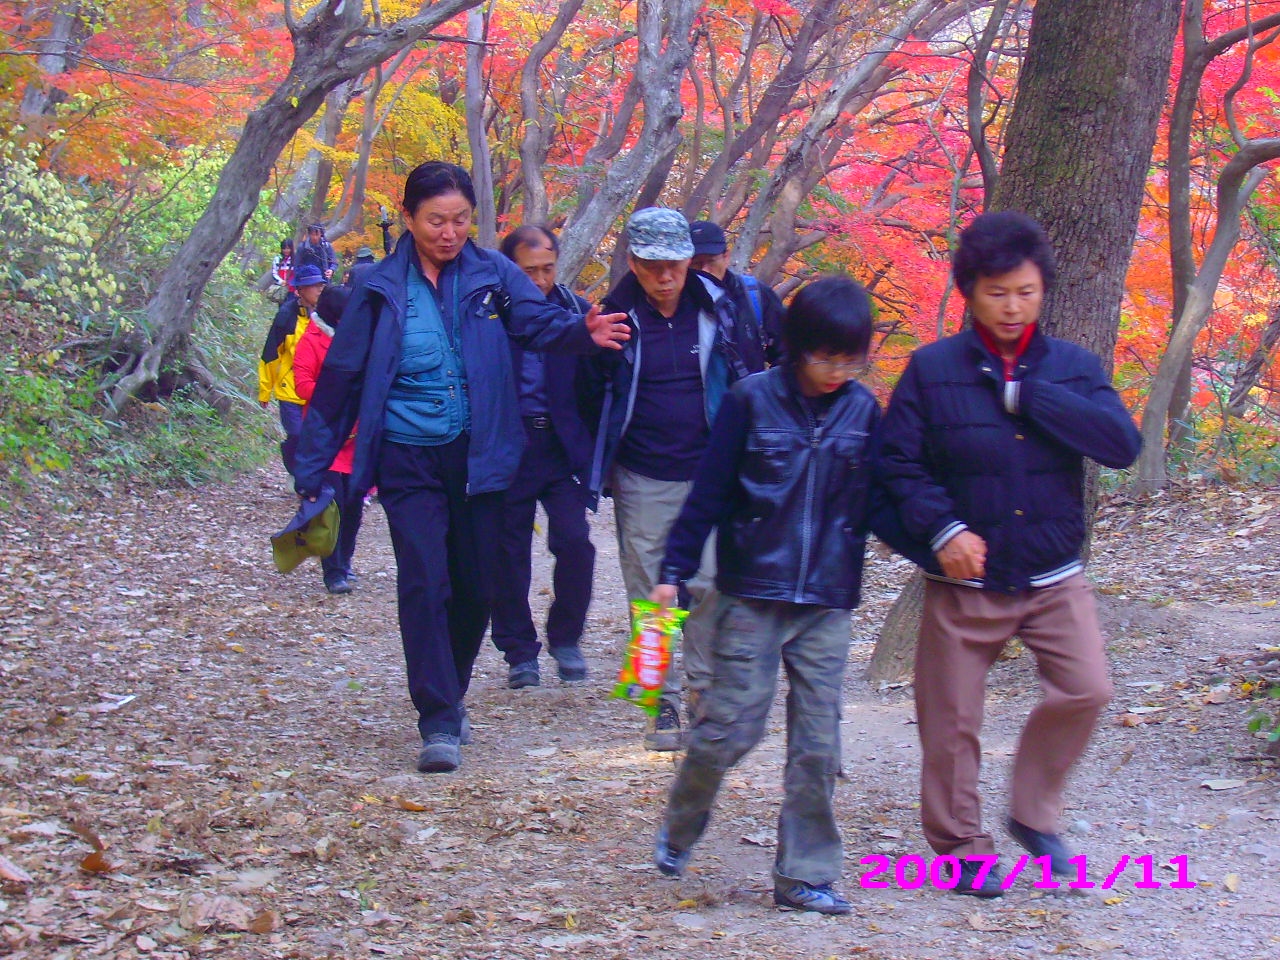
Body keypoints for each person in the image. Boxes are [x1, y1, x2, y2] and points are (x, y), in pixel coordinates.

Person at [292, 161, 629, 775]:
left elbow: (536, 323)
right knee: (425, 580)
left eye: (460, 220)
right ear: (408, 218)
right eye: (435, 220)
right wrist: (312, 466)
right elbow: (341, 376)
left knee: (476, 587)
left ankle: (452, 686)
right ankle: (439, 716)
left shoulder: (493, 273)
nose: (448, 233)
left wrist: (581, 331)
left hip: (483, 454)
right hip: (408, 456)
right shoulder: (379, 286)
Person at [876, 211, 1142, 897]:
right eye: (997, 293)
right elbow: (895, 465)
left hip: (1053, 573)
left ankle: (1032, 814)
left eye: (1026, 291)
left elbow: (1121, 445)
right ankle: (962, 848)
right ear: (970, 291)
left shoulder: (1074, 368)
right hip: (964, 580)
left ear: (1043, 290)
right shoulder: (931, 371)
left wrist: (1032, 397)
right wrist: (942, 530)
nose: (1013, 306)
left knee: (1087, 688)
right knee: (951, 723)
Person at [648, 276, 921, 915]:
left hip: (826, 601)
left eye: (850, 360)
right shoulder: (751, 400)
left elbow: (878, 502)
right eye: (825, 357)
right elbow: (709, 493)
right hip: (753, 594)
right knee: (731, 730)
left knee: (819, 744)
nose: (837, 372)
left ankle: (804, 874)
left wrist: (935, 544)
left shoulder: (863, 412)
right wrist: (673, 571)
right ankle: (683, 821)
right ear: (797, 347)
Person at [588, 207, 768, 751]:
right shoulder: (614, 317)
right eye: (652, 265)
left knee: (710, 582)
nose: (665, 276)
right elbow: (588, 392)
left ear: (690, 260)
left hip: (710, 470)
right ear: (634, 263)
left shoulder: (720, 307)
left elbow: (751, 376)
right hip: (642, 472)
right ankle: (656, 701)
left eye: (674, 264)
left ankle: (703, 690)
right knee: (650, 591)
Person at [489, 225, 597, 688]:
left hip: (560, 445)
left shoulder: (577, 313)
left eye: (547, 269)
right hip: (507, 447)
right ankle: (519, 651)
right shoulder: (488, 316)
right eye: (528, 271)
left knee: (575, 542)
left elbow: (599, 383)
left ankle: (566, 637)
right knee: (507, 551)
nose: (538, 280)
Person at [293, 285, 365, 595]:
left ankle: (345, 561)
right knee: (331, 504)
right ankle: (333, 572)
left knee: (354, 506)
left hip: (356, 435)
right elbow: (302, 385)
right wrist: (337, 394)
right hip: (326, 435)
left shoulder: (358, 339)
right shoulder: (310, 340)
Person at [260, 263, 327, 476]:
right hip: (290, 389)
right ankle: (296, 474)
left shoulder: (328, 313)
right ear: (300, 289)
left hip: (318, 390)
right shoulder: (286, 315)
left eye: (321, 284)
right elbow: (271, 353)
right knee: (297, 435)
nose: (319, 289)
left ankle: (312, 478)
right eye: (314, 285)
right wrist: (265, 390)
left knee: (316, 438)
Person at [688, 220, 784, 365]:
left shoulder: (754, 295)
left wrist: (770, 379)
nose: (705, 270)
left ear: (726, 257)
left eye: (711, 261)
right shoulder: (671, 302)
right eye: (696, 264)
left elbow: (787, 351)